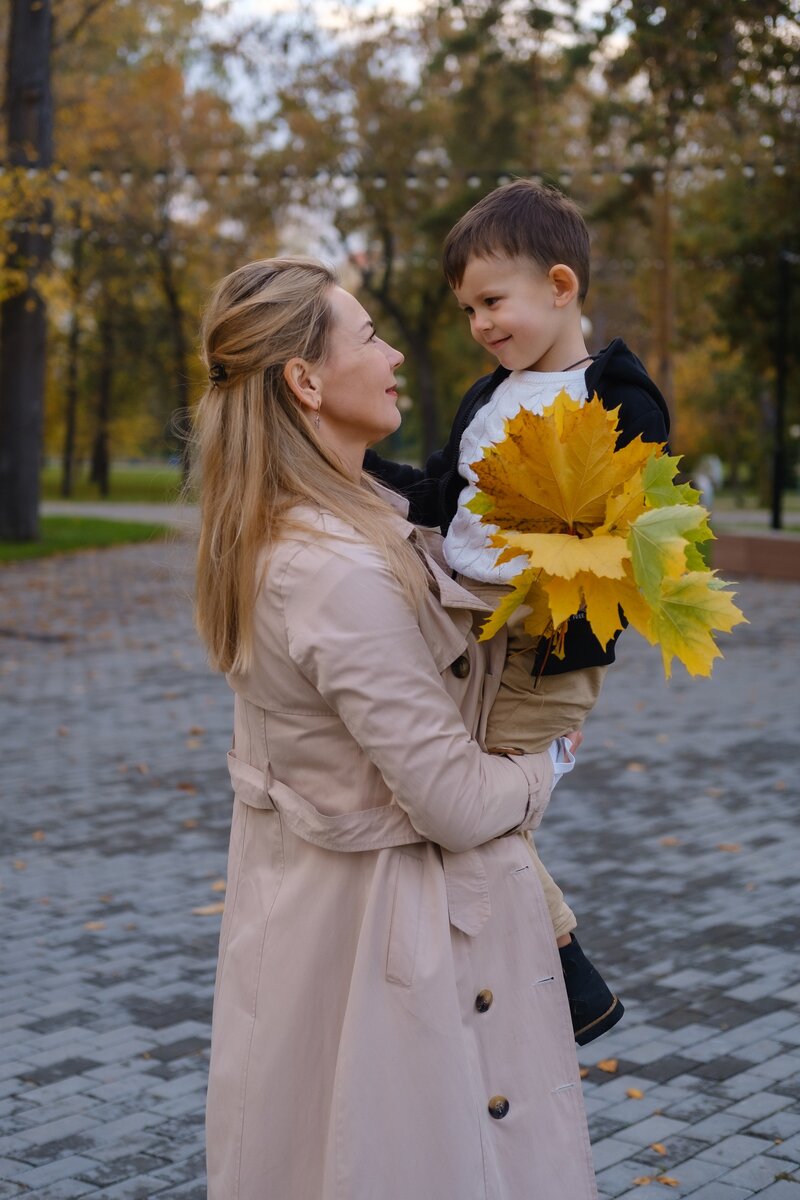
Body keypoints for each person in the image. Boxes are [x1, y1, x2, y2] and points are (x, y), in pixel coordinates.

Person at [194, 256, 598, 1199]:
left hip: (330, 922)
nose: (395, 352)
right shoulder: (331, 565)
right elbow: (454, 800)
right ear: (305, 381)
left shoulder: (349, 517)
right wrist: (549, 759)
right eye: (368, 335)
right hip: (387, 947)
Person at [365, 179, 671, 1045]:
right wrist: (359, 469)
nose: (482, 325)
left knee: (475, 814)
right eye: (469, 310)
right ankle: (525, 979)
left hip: (541, 645)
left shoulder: (609, 393)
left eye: (493, 301)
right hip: (460, 629)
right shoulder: (488, 397)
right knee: (448, 806)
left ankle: (564, 974)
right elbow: (442, 496)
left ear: (562, 287)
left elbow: (638, 528)